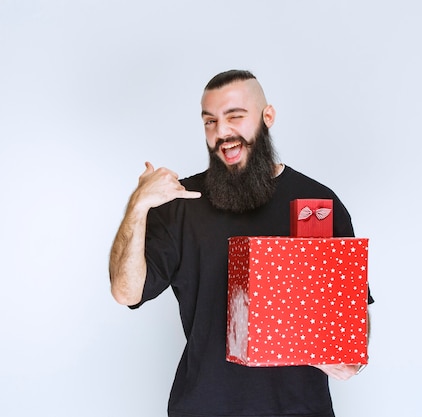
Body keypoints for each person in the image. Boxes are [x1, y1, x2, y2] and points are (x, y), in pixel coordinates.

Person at [109, 69, 374, 417]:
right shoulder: (180, 204)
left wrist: (349, 357)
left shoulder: (318, 203)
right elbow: (125, 292)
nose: (222, 132)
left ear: (267, 117)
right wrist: (138, 205)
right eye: (210, 121)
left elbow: (354, 314)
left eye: (234, 117)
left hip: (300, 409)